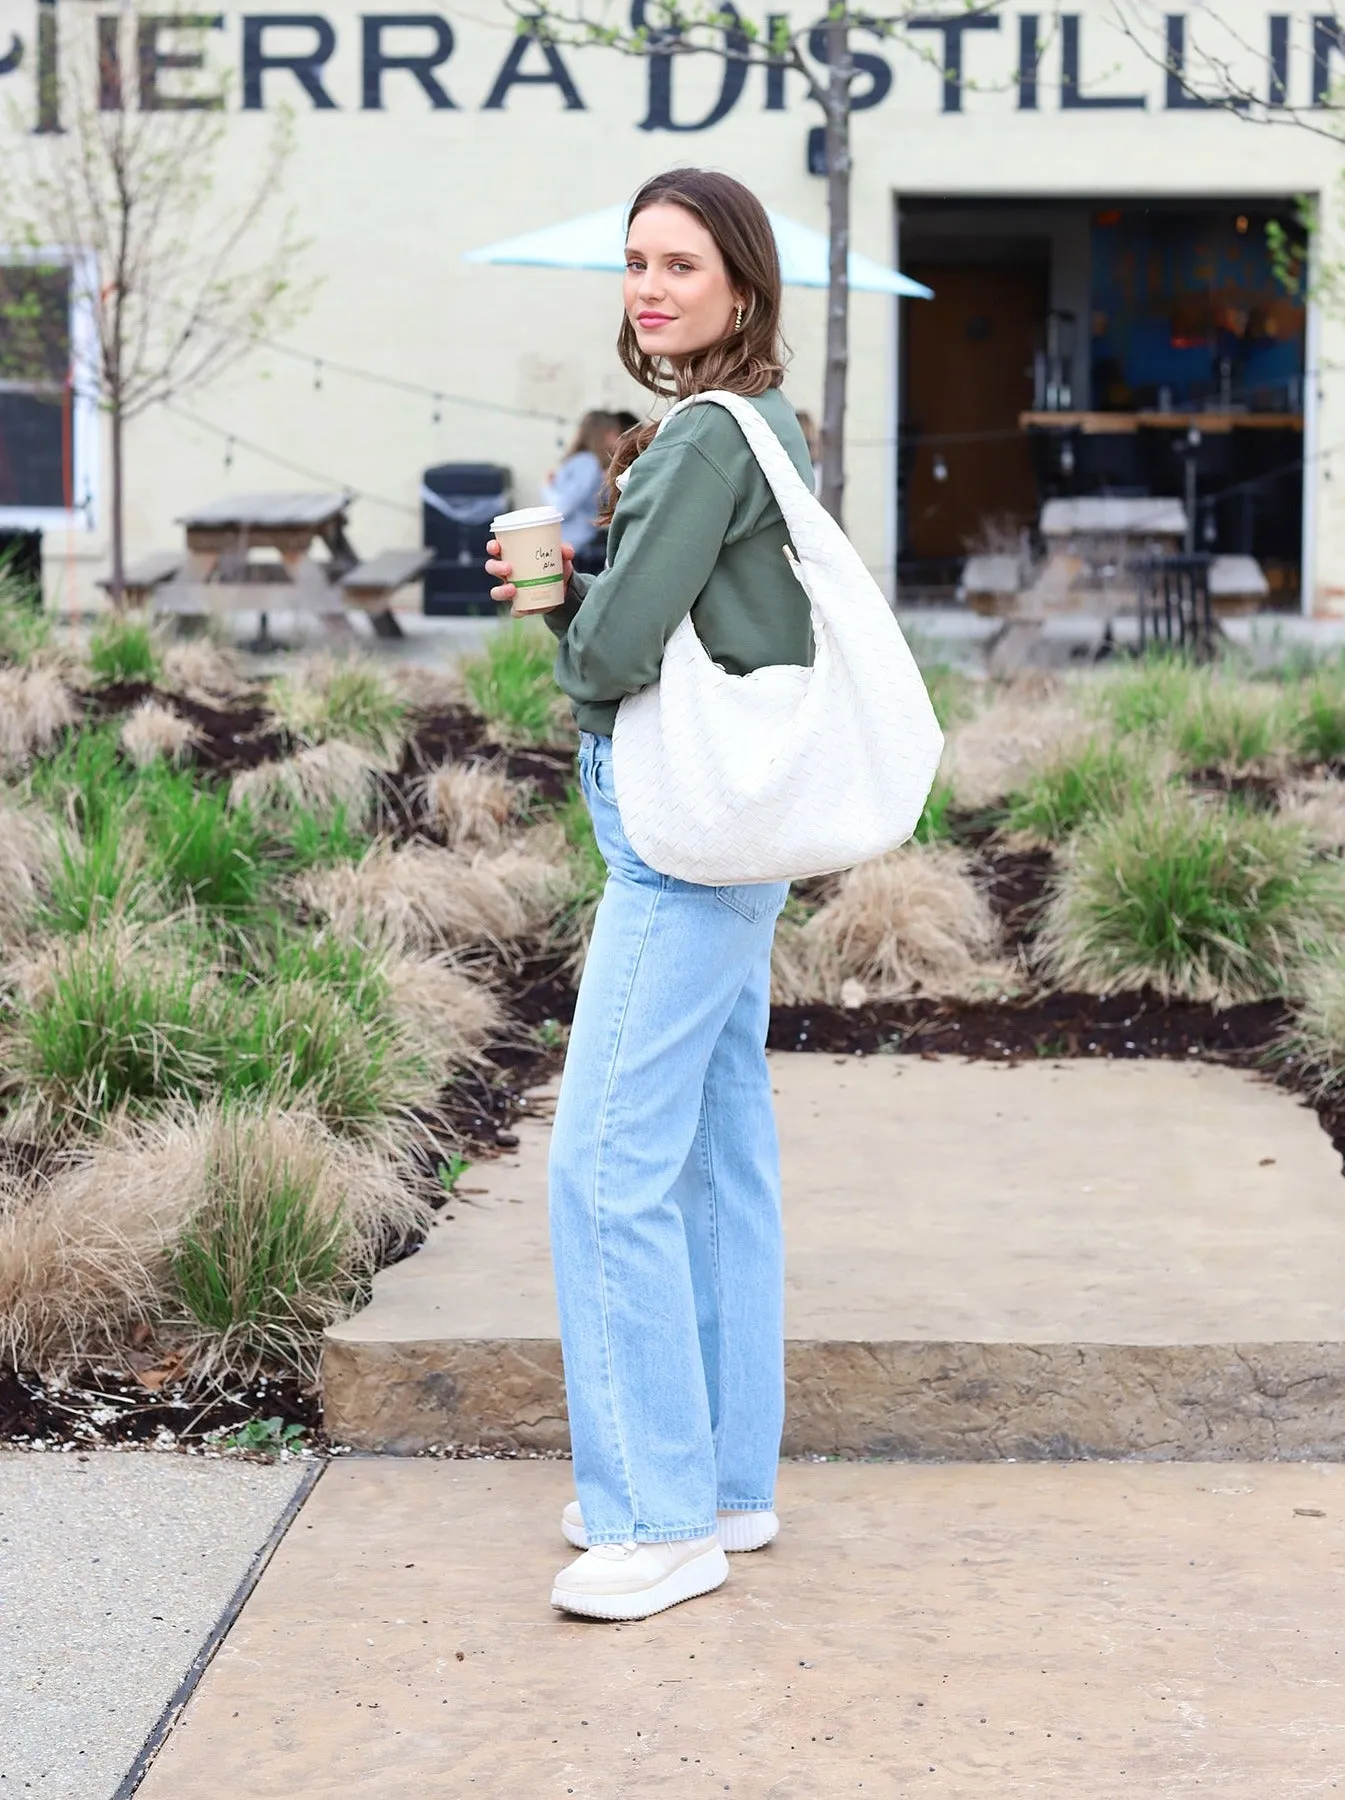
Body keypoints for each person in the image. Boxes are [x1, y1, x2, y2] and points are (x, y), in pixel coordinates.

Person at [485, 168, 814, 1624]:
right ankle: (726, 1483)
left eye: (680, 263)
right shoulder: (767, 427)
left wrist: (558, 587)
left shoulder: (692, 442)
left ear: (741, 287)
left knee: (602, 1165)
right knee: (708, 1158)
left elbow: (608, 657)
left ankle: (655, 1515)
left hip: (678, 838)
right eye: (635, 262)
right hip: (739, 831)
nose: (650, 286)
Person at [540, 409, 618, 574]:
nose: (617, 438)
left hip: (573, 542)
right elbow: (562, 507)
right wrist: (546, 487)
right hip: (579, 545)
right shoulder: (587, 463)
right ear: (603, 433)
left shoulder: (581, 462)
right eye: (614, 432)